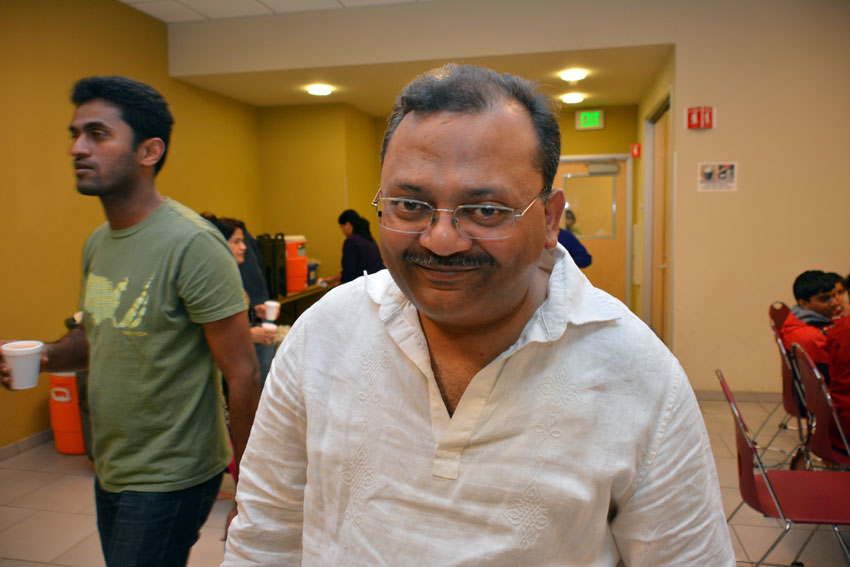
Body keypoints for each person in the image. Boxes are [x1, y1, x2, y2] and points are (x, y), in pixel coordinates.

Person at [222, 64, 733, 566]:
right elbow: (265, 537)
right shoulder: (323, 334)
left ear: (550, 218)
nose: (441, 239)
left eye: (486, 210)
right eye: (409, 205)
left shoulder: (638, 374)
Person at [0, 76, 260, 567]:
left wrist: (249, 492)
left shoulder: (193, 244)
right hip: (113, 464)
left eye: (97, 134)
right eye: (75, 134)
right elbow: (95, 336)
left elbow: (242, 373)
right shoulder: (99, 242)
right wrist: (46, 355)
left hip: (172, 472)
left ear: (149, 151)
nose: (77, 148)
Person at [202, 213, 276, 384]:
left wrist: (254, 312)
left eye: (243, 241)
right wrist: (250, 335)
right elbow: (212, 333)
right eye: (237, 242)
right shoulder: (214, 281)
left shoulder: (231, 274)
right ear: (220, 243)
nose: (244, 247)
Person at [780, 270, 842, 377]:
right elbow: (839, 371)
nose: (835, 303)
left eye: (835, 295)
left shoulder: (796, 320)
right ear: (804, 303)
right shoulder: (810, 337)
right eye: (824, 299)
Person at [318, 209, 384, 286]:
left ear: (347, 225)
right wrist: (332, 280)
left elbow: (348, 273)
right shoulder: (370, 239)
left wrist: (335, 282)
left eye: (342, 227)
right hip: (379, 283)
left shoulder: (351, 241)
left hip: (363, 286)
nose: (342, 231)